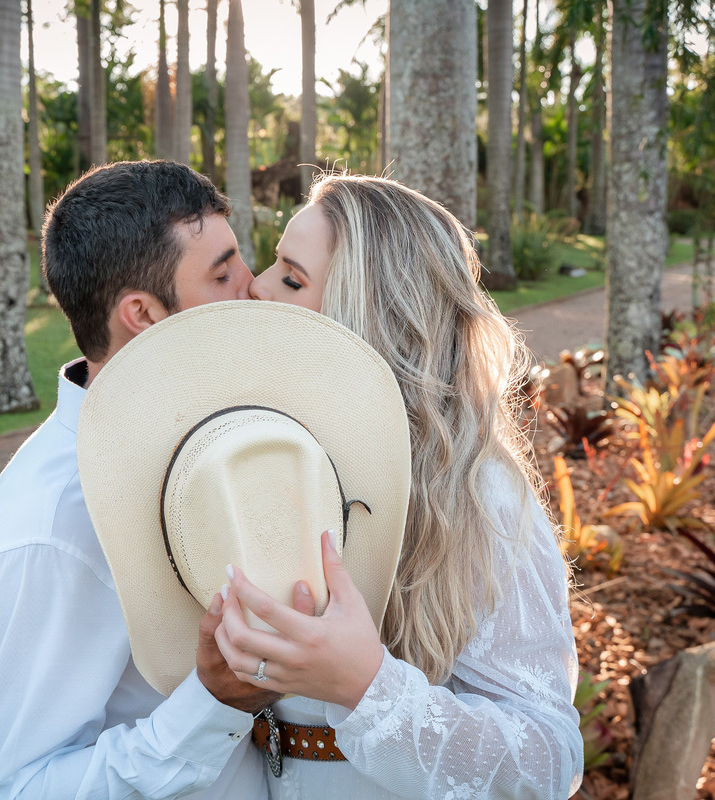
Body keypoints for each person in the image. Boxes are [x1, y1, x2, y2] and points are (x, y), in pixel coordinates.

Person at [215, 174, 584, 798]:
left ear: (366, 316)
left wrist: (366, 686)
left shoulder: (477, 494)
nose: (256, 285)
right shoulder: (272, 454)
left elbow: (550, 759)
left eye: (292, 279)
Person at [0, 161, 289, 800]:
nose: (253, 288)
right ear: (143, 313)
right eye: (222, 273)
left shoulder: (204, 444)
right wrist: (214, 705)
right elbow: (18, 789)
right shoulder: (47, 531)